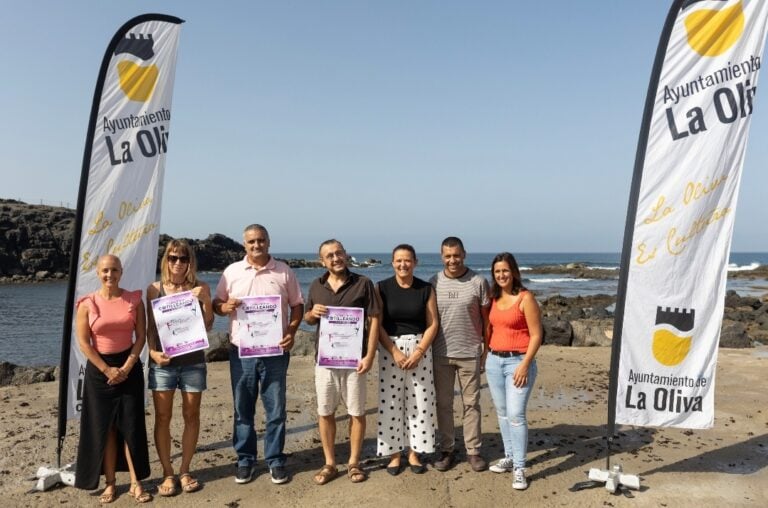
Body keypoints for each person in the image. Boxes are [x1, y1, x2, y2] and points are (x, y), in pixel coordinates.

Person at [213, 224, 304, 485]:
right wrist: (224, 306)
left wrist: (293, 330)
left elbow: (298, 305)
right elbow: (216, 304)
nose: (257, 245)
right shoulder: (232, 272)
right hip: (241, 353)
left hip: (275, 352)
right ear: (245, 244)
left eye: (261, 240)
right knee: (243, 409)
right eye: (251, 241)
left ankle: (275, 460)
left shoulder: (284, 271)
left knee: (276, 409)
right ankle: (245, 459)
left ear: (269, 242)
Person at [74, 254, 152, 503]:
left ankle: (135, 481)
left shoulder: (134, 300)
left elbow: (141, 337)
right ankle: (110, 483)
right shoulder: (87, 303)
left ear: (121, 272)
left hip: (129, 368)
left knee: (131, 427)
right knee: (105, 428)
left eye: (115, 270)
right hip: (100, 372)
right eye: (105, 270)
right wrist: (107, 370)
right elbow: (84, 343)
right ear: (98, 272)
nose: (110, 275)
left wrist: (127, 367)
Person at [304, 239, 381, 485]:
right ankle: (329, 463)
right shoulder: (316, 285)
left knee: (356, 412)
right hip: (325, 362)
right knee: (325, 411)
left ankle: (354, 462)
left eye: (339, 253)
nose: (335, 258)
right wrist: (312, 314)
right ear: (322, 261)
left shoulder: (363, 283)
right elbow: (307, 317)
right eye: (329, 255)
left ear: (346, 255)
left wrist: (370, 356)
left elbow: (375, 320)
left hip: (354, 361)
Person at [145, 239, 214, 496]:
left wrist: (206, 299)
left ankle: (184, 469)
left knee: (191, 416)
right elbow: (150, 328)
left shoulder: (201, 287)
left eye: (183, 258)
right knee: (163, 417)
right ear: (166, 260)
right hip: (162, 364)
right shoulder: (154, 289)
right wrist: (152, 352)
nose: (177, 263)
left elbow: (207, 325)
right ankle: (167, 472)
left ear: (190, 262)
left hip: (193, 362)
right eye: (173, 257)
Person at [376, 244, 438, 475]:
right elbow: (378, 324)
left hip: (419, 349)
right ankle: (394, 454)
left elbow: (433, 323)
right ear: (392, 262)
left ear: (415, 262)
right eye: (398, 260)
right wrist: (394, 351)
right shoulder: (381, 288)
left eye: (408, 260)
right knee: (391, 402)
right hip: (390, 349)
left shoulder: (426, 288)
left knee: (420, 401)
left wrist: (420, 351)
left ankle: (414, 453)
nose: (403, 265)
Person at [430, 236, 490, 472]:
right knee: (443, 404)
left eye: (456, 255)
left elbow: (487, 320)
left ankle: (473, 451)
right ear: (441, 256)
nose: (452, 260)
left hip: (470, 352)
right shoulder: (433, 282)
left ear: (464, 254)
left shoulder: (478, 281)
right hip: (440, 354)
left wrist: (486, 349)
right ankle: (447, 449)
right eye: (448, 256)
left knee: (471, 403)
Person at [485, 252, 542, 490]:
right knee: (502, 412)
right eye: (497, 272)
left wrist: (525, 364)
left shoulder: (525, 298)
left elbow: (537, 335)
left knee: (516, 415)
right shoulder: (494, 298)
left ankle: (520, 468)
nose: (501, 275)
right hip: (493, 361)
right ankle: (509, 457)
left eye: (505, 271)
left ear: (514, 272)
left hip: (518, 362)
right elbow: (489, 328)